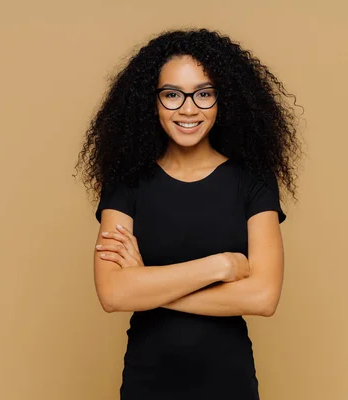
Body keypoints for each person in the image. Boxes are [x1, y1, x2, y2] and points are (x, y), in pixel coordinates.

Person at [75, 28, 302, 400]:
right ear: (152, 102)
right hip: (148, 381)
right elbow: (113, 293)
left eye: (204, 93)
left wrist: (146, 285)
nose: (188, 107)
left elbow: (263, 297)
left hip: (229, 383)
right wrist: (220, 267)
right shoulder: (126, 186)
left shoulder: (253, 184)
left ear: (221, 100)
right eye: (172, 95)